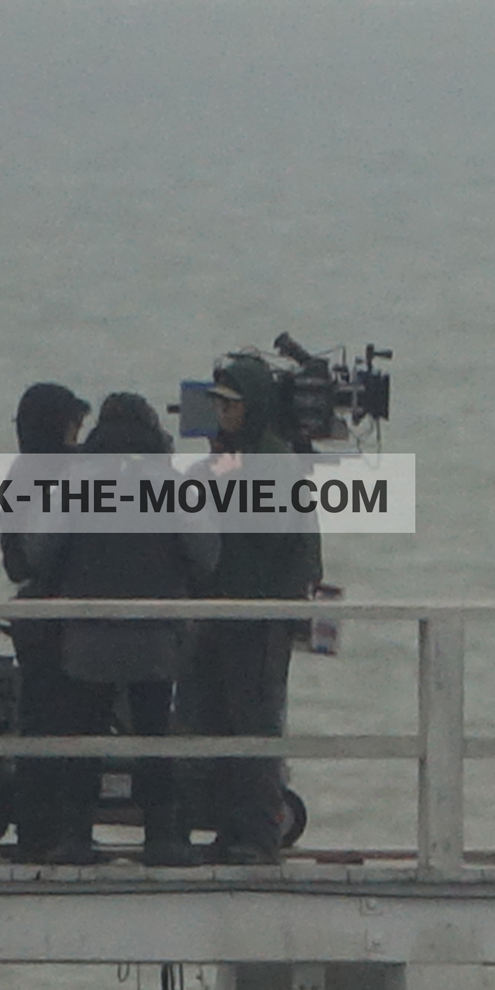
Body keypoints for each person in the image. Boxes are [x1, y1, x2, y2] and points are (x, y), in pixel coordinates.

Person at [26, 393, 218, 866]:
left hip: (88, 632)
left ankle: (76, 836)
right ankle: (162, 837)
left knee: (85, 731)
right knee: (153, 733)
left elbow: (39, 550)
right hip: (155, 634)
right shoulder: (171, 485)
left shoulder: (76, 482)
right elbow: (205, 555)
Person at [184, 354, 322, 865]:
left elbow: (273, 533)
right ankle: (227, 827)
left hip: (259, 616)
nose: (223, 414)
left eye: (233, 405)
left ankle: (260, 835)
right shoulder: (240, 457)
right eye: (218, 404)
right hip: (222, 608)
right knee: (216, 719)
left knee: (255, 722)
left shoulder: (273, 461)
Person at [0, 381, 90, 861]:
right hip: (70, 617)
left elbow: (15, 563)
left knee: (35, 722)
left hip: (34, 618)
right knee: (77, 722)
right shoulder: (76, 475)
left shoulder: (18, 477)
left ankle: (34, 831)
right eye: (74, 424)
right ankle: (67, 830)